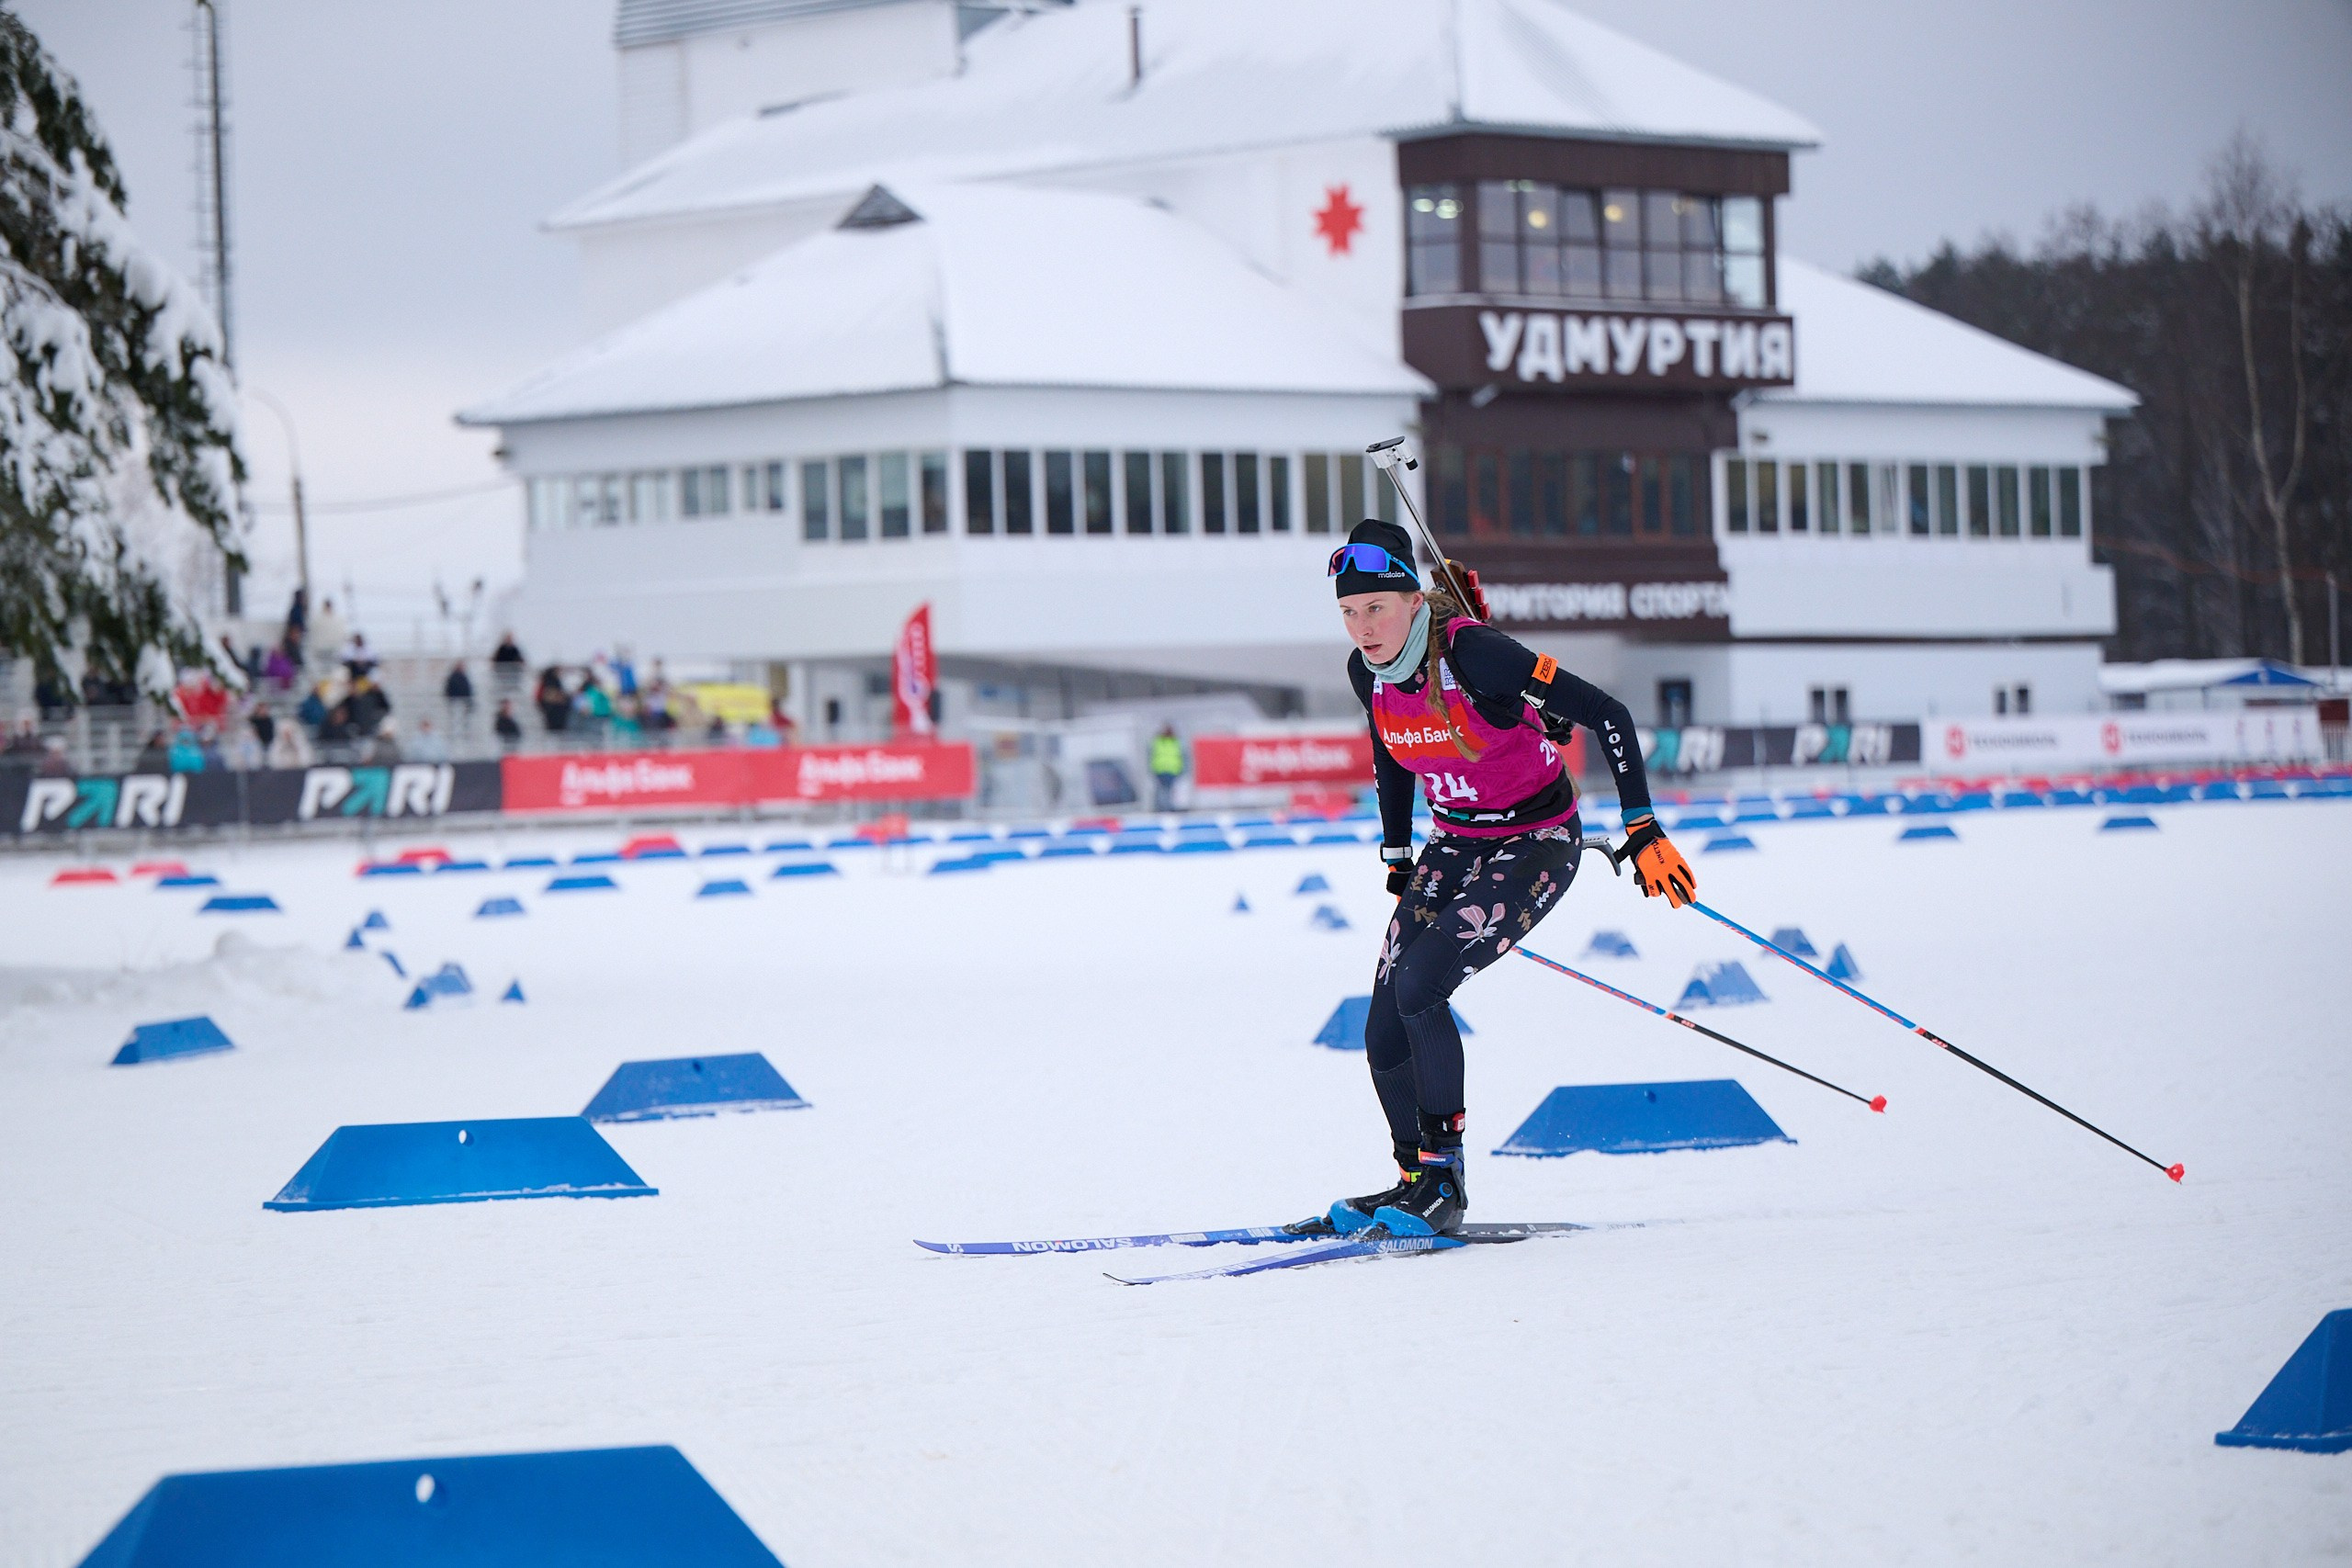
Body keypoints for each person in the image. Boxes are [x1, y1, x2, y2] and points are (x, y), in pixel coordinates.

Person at [1302, 520, 1693, 1239]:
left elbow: (1608, 712)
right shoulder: (1367, 672)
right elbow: (1391, 748)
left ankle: (1444, 1181)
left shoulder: (1475, 652)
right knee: (1383, 1025)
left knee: (1421, 985)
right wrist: (1397, 849)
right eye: (1349, 612)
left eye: (1377, 607)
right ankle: (1413, 1179)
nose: (1363, 627)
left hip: (1537, 841)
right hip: (1454, 842)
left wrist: (1642, 827)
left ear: (1413, 600)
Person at [1148, 724, 1185, 814]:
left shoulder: (1174, 742)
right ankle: (1163, 808)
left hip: (1171, 770)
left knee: (1168, 790)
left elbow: (1181, 756)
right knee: (1163, 790)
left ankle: (1167, 807)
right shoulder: (1160, 742)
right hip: (1161, 770)